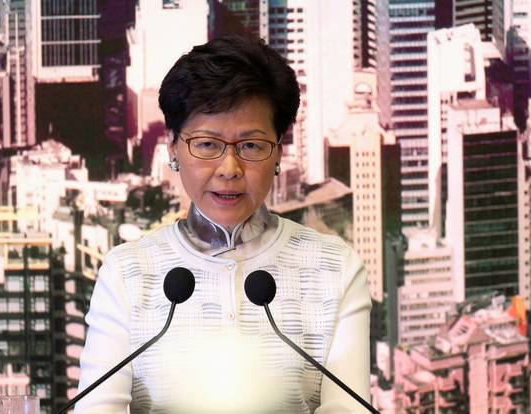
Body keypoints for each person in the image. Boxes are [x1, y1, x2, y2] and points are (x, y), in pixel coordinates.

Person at [76, 35, 372, 414]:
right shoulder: (128, 273)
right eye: (207, 144)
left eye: (250, 146)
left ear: (278, 152)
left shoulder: (334, 268)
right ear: (174, 150)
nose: (229, 169)